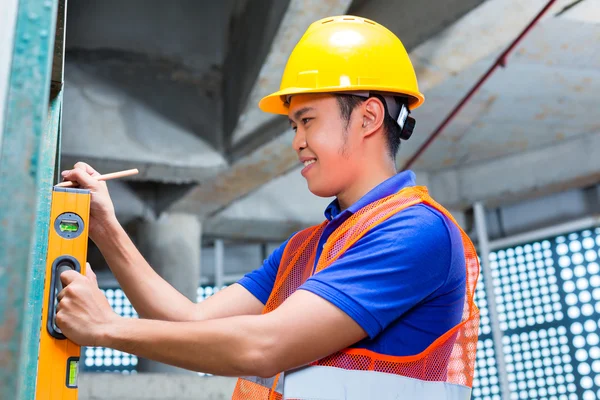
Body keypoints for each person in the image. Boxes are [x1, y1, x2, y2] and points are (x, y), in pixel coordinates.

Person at [57, 15, 480, 399]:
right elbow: (188, 321)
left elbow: (265, 345)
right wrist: (107, 226)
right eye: (293, 125)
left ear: (368, 118)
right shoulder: (305, 250)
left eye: (308, 120)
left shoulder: (416, 231)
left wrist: (107, 328)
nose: (296, 141)